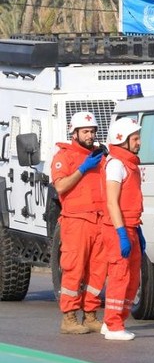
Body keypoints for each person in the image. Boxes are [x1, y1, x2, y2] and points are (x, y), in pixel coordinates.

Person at [51, 111, 107, 335]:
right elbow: (61, 187)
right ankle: (69, 317)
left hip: (99, 220)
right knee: (73, 269)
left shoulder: (100, 156)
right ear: (74, 133)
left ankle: (91, 315)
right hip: (76, 221)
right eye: (85, 131)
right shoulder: (64, 157)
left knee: (97, 270)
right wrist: (82, 169)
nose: (90, 135)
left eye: (92, 131)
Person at [101, 117, 144, 341]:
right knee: (120, 276)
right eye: (135, 138)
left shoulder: (129, 163)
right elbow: (112, 202)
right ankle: (113, 324)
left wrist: (137, 232)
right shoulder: (116, 164)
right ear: (122, 140)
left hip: (131, 226)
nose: (139, 142)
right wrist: (121, 234)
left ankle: (117, 320)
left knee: (133, 277)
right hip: (118, 228)